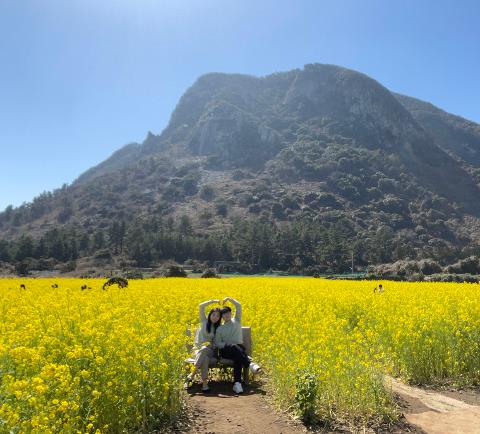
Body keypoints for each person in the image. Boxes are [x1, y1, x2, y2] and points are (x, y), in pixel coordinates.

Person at [214, 297, 260, 394]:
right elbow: (217, 343)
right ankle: (249, 364)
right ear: (222, 317)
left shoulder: (237, 321)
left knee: (237, 357)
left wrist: (229, 299)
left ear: (231, 313)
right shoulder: (220, 329)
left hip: (238, 349)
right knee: (234, 347)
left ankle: (237, 384)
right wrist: (227, 344)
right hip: (226, 351)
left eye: (228, 313)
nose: (226, 315)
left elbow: (238, 306)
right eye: (224, 314)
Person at [185, 299, 221, 392]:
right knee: (204, 358)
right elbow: (201, 306)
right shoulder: (203, 321)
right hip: (196, 350)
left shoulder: (218, 329)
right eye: (213, 314)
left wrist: (210, 345)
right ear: (210, 315)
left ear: (219, 318)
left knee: (205, 349)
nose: (215, 317)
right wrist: (213, 301)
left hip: (209, 351)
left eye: (218, 316)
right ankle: (205, 384)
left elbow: (216, 344)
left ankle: (192, 374)